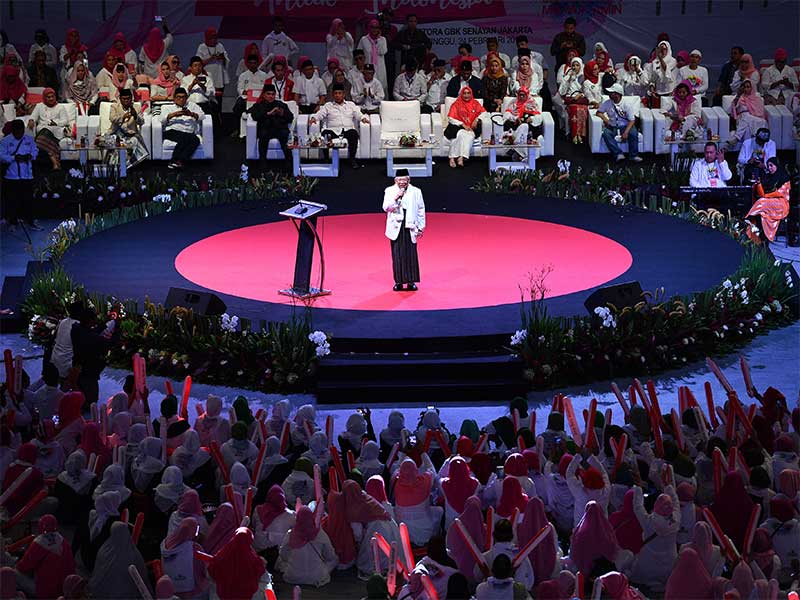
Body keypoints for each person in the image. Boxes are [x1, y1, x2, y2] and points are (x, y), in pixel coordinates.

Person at [310, 82, 369, 169]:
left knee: (353, 133)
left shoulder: (351, 105)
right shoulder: (328, 106)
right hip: (333, 130)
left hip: (347, 130)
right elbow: (320, 114)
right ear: (333, 95)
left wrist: (363, 118)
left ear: (343, 94)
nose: (337, 95)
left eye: (339, 93)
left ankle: (352, 159)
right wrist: (314, 118)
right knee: (325, 134)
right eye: (335, 93)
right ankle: (326, 159)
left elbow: (358, 114)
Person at [278, 505, 338, 586]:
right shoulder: (320, 534)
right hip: (317, 577)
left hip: (293, 577)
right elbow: (330, 556)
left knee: (280, 560)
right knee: (334, 559)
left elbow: (283, 555)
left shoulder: (290, 534)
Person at [71, 306, 117, 406]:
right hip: (89, 370)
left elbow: (92, 331)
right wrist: (117, 329)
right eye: (94, 318)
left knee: (81, 391)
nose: (96, 320)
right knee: (91, 400)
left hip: (79, 366)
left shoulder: (76, 329)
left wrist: (106, 322)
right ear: (90, 321)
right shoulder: (93, 339)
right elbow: (109, 343)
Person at [0, 119, 38, 232]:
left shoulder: (29, 139)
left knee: (28, 199)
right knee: (12, 200)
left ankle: (30, 220)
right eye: (17, 132)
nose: (19, 134)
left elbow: (35, 151)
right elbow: (1, 155)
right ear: (13, 131)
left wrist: (30, 156)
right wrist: (13, 158)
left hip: (27, 175)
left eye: (21, 132)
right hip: (12, 176)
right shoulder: (5, 141)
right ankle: (12, 222)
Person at [745, 157, 791, 244]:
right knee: (762, 214)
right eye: (768, 166)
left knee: (762, 202)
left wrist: (766, 196)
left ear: (777, 165)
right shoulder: (767, 177)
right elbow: (762, 194)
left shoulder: (784, 178)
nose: (769, 168)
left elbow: (780, 193)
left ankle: (749, 217)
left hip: (781, 204)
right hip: (768, 203)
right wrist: (758, 183)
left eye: (771, 165)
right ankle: (761, 239)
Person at [159, 87, 204, 170]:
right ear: (174, 98)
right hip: (172, 131)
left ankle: (176, 162)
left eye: (183, 97)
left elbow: (202, 116)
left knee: (192, 139)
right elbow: (161, 120)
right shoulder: (167, 107)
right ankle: (178, 161)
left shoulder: (193, 106)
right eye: (178, 97)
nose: (181, 99)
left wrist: (191, 114)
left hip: (188, 132)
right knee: (193, 139)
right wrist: (174, 114)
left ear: (186, 98)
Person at [250, 83, 293, 169]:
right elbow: (255, 116)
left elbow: (290, 117)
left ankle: (289, 162)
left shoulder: (281, 105)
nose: (271, 96)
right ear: (264, 95)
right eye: (268, 94)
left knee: (284, 134)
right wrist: (269, 113)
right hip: (266, 129)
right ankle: (263, 162)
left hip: (280, 129)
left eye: (273, 94)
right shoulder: (258, 105)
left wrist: (282, 114)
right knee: (263, 135)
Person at [596, 83, 642, 161]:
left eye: (612, 93)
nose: (609, 94)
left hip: (625, 126)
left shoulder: (627, 104)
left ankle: (633, 155)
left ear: (617, 94)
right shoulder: (607, 103)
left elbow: (632, 120)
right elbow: (599, 112)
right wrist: (605, 119)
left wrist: (626, 132)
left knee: (633, 133)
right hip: (613, 126)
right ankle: (618, 154)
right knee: (606, 134)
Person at [28, 87, 70, 170]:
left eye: (52, 96)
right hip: (43, 129)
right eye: (48, 97)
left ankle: (44, 156)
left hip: (55, 129)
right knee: (44, 131)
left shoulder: (60, 107)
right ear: (44, 98)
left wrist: (56, 123)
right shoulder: (39, 106)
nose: (51, 99)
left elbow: (65, 121)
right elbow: (33, 117)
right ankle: (54, 158)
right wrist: (31, 120)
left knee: (43, 134)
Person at [445, 86, 485, 168]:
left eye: (468, 93)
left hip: (471, 128)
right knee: (460, 135)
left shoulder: (475, 103)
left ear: (471, 94)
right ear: (461, 94)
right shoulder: (456, 104)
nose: (466, 95)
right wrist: (462, 124)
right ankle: (458, 158)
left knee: (467, 135)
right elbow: (450, 118)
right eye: (464, 93)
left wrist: (477, 119)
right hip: (458, 127)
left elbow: (484, 113)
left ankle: (456, 157)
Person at [109, 88, 149, 169]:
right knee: (115, 144)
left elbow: (142, 122)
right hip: (116, 133)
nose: (126, 101)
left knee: (135, 141)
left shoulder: (136, 107)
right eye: (124, 99)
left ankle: (127, 166)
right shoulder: (114, 106)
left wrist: (136, 116)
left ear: (131, 99)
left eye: (128, 99)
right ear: (120, 99)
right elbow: (112, 118)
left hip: (131, 134)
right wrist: (123, 117)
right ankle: (115, 167)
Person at [502, 86, 544, 160]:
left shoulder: (532, 103)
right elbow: (506, 115)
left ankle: (516, 151)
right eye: (520, 95)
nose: (521, 97)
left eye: (523, 95)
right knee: (523, 126)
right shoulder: (513, 103)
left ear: (527, 95)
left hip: (529, 129)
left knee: (525, 126)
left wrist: (532, 118)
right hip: (515, 127)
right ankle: (522, 155)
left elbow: (539, 117)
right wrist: (515, 118)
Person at [727, 80, 767, 148]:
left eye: (748, 87)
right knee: (747, 126)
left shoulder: (757, 99)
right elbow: (734, 109)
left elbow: (760, 112)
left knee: (747, 117)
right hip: (741, 119)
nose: (746, 89)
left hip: (755, 119)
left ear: (752, 88)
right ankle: (747, 153)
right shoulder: (741, 97)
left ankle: (736, 138)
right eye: (744, 87)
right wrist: (738, 96)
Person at [559, 57, 588, 144]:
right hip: (571, 100)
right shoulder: (567, 77)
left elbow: (587, 91)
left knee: (582, 109)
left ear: (581, 66)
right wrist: (568, 80)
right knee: (575, 109)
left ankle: (580, 134)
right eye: (573, 65)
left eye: (577, 65)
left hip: (581, 100)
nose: (575, 67)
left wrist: (581, 95)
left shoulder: (584, 76)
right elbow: (562, 92)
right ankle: (575, 135)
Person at [196, 27, 229, 103]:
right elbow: (198, 63)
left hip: (219, 77)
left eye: (215, 37)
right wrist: (211, 58)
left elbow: (226, 61)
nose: (213, 40)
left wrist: (222, 57)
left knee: (218, 99)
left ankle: (218, 114)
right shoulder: (202, 47)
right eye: (211, 38)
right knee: (206, 97)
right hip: (206, 75)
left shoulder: (220, 46)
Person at [234, 53, 268, 124]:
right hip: (246, 97)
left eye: (254, 63)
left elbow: (266, 88)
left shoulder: (264, 75)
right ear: (247, 64)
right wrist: (245, 93)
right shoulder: (243, 75)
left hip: (260, 98)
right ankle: (238, 128)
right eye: (251, 63)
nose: (252, 65)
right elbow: (239, 88)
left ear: (258, 63)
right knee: (238, 105)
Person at [358, 20, 388, 91]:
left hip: (379, 68)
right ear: (369, 28)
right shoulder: (364, 39)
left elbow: (382, 51)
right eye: (372, 27)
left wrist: (378, 40)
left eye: (376, 27)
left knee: (380, 87)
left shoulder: (383, 39)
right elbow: (359, 54)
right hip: (367, 68)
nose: (374, 29)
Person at [646, 40, 678, 105]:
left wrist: (660, 59)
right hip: (658, 92)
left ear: (668, 49)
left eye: (664, 49)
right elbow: (653, 78)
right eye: (660, 49)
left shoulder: (673, 60)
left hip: (669, 91)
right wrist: (652, 89)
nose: (662, 51)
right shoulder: (654, 62)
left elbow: (666, 69)